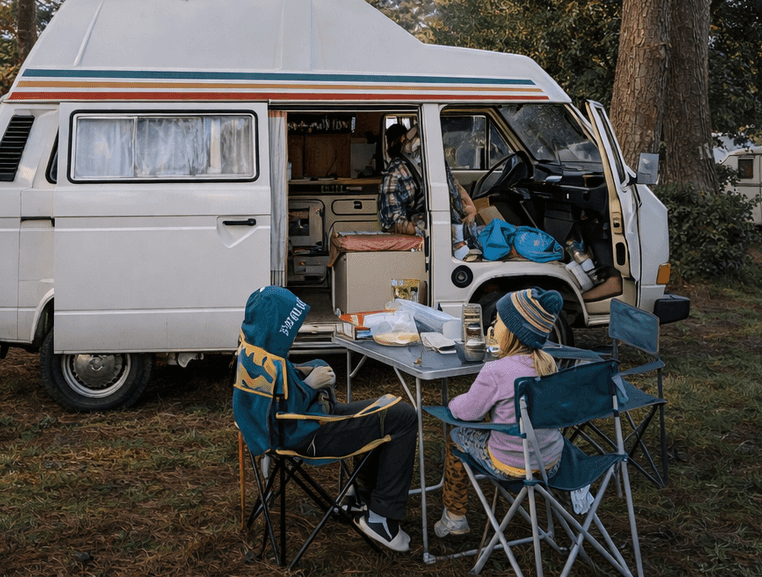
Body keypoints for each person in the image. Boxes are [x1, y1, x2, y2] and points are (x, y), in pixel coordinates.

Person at [233, 286, 419, 552]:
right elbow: (280, 410)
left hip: (305, 425)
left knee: (380, 411)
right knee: (402, 416)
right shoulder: (268, 362)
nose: (295, 332)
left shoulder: (253, 350)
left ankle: (361, 500)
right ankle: (381, 518)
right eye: (291, 326)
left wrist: (309, 372)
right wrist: (310, 385)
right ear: (277, 326)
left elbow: (271, 397)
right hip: (309, 435)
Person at [433, 288, 565, 538]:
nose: (493, 326)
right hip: (550, 461)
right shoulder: (549, 364)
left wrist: (452, 403)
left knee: (457, 436)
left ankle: (455, 516)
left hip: (510, 463)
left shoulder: (497, 370)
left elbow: (467, 411)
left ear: (513, 330)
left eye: (499, 321)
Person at [378, 123, 477, 259]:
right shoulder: (395, 173)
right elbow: (390, 221)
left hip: (455, 232)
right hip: (430, 241)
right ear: (404, 141)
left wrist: (470, 211)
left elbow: (454, 187)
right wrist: (433, 228)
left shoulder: (436, 164)